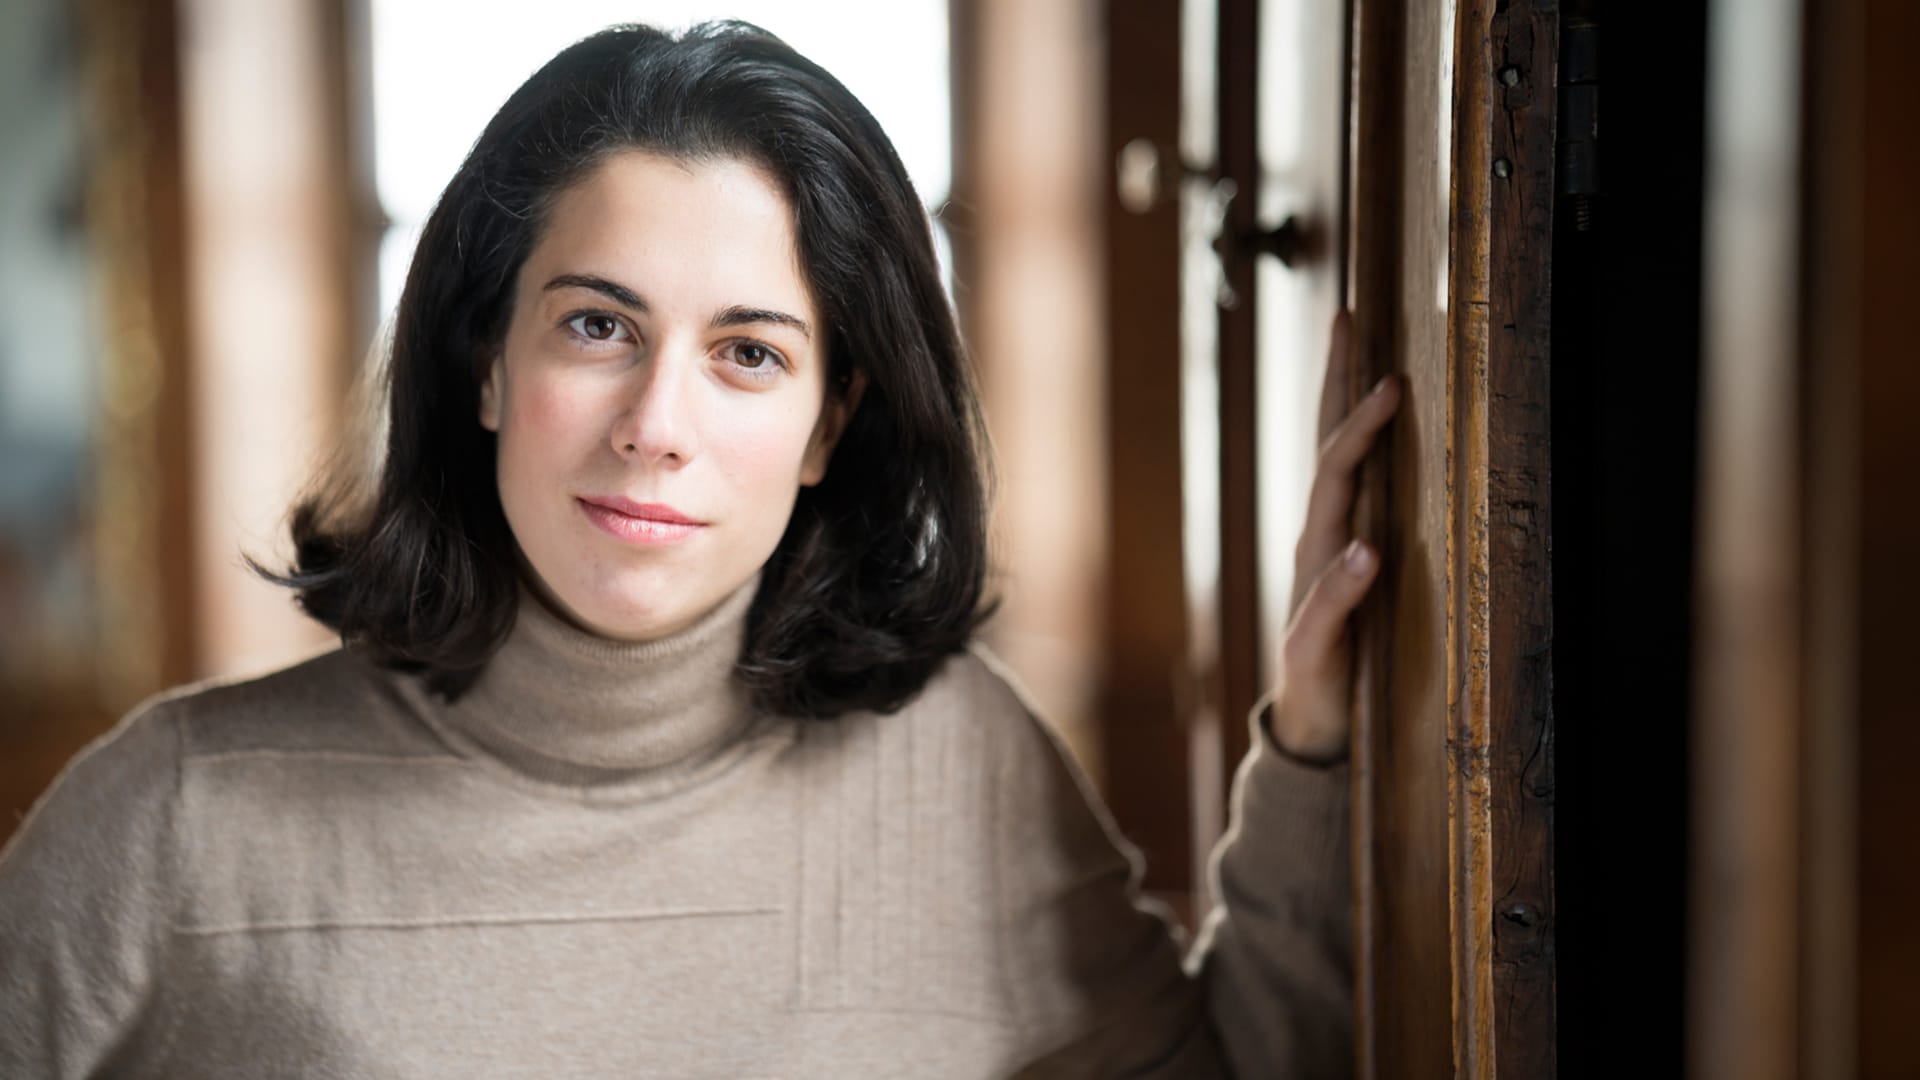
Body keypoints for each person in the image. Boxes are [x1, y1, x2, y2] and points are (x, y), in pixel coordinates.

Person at [0, 21, 1400, 1078]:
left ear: (827, 423)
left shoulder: (959, 768)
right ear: (484, 361)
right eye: (597, 326)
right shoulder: (172, 822)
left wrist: (1321, 742)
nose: (656, 425)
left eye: (749, 353)